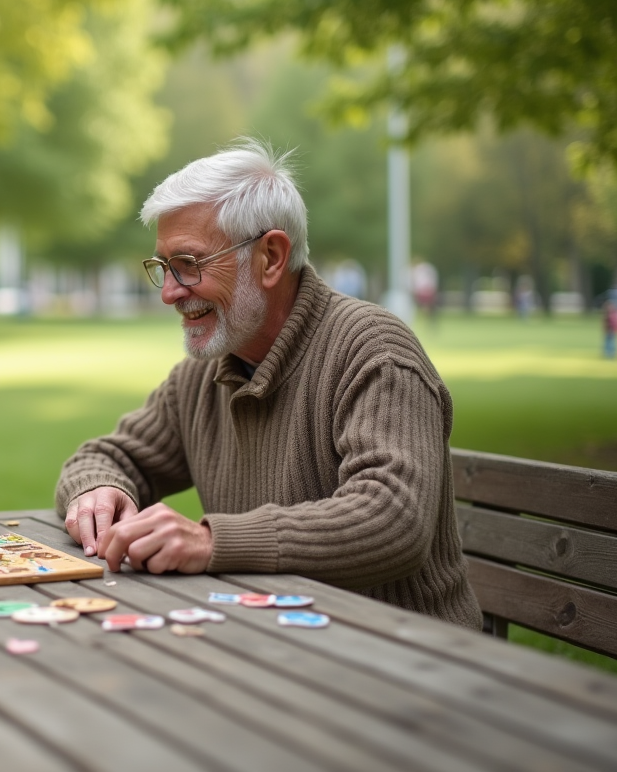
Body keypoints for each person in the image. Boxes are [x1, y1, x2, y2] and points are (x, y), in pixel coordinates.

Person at [56, 139, 481, 630]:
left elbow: (392, 520)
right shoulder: (207, 372)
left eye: (189, 264)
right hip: (274, 645)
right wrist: (97, 490)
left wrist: (213, 543)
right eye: (163, 268)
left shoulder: (374, 352)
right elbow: (106, 457)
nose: (170, 292)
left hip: (404, 658)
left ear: (271, 257)